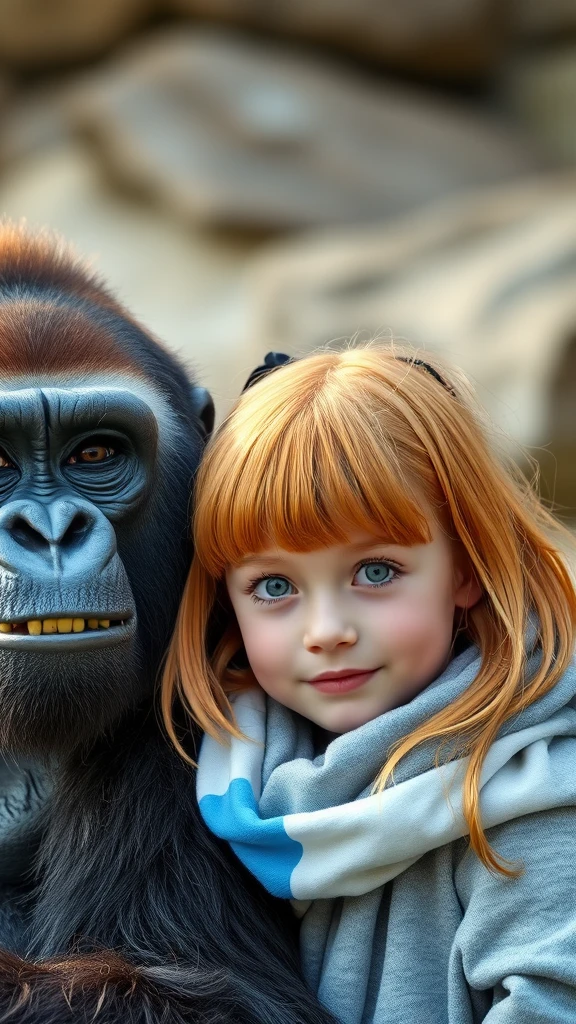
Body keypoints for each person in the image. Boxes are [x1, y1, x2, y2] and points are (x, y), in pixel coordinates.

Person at [160, 344, 576, 1023]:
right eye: (274, 586)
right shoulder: (229, 781)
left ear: (465, 566)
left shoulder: (535, 797)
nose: (327, 630)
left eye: (375, 572)